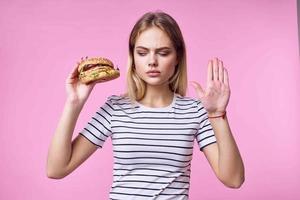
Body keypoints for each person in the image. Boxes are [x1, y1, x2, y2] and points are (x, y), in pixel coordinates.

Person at [47, 11, 245, 199]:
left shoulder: (195, 111)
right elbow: (56, 169)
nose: (152, 61)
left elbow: (234, 179)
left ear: (178, 57)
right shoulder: (115, 108)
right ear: (133, 58)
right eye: (142, 52)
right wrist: (73, 103)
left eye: (163, 52)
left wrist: (217, 114)